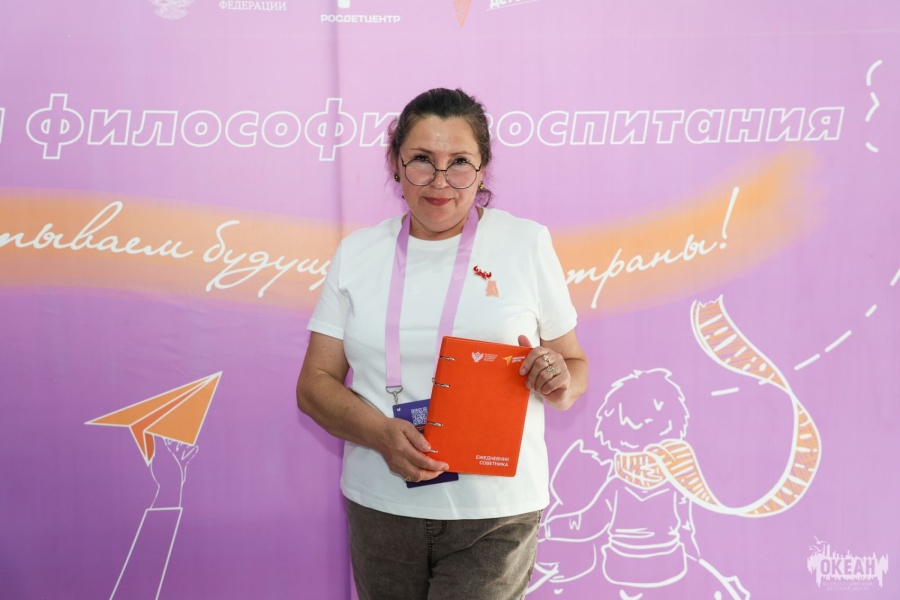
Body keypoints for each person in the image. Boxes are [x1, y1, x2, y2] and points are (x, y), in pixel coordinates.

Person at [296, 87, 588, 600]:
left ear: (482, 170)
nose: (440, 181)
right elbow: (314, 384)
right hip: (381, 507)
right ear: (395, 164)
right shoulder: (358, 253)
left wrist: (557, 379)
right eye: (422, 161)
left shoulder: (526, 243)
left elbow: (573, 366)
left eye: (459, 163)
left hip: (493, 514)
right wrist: (381, 435)